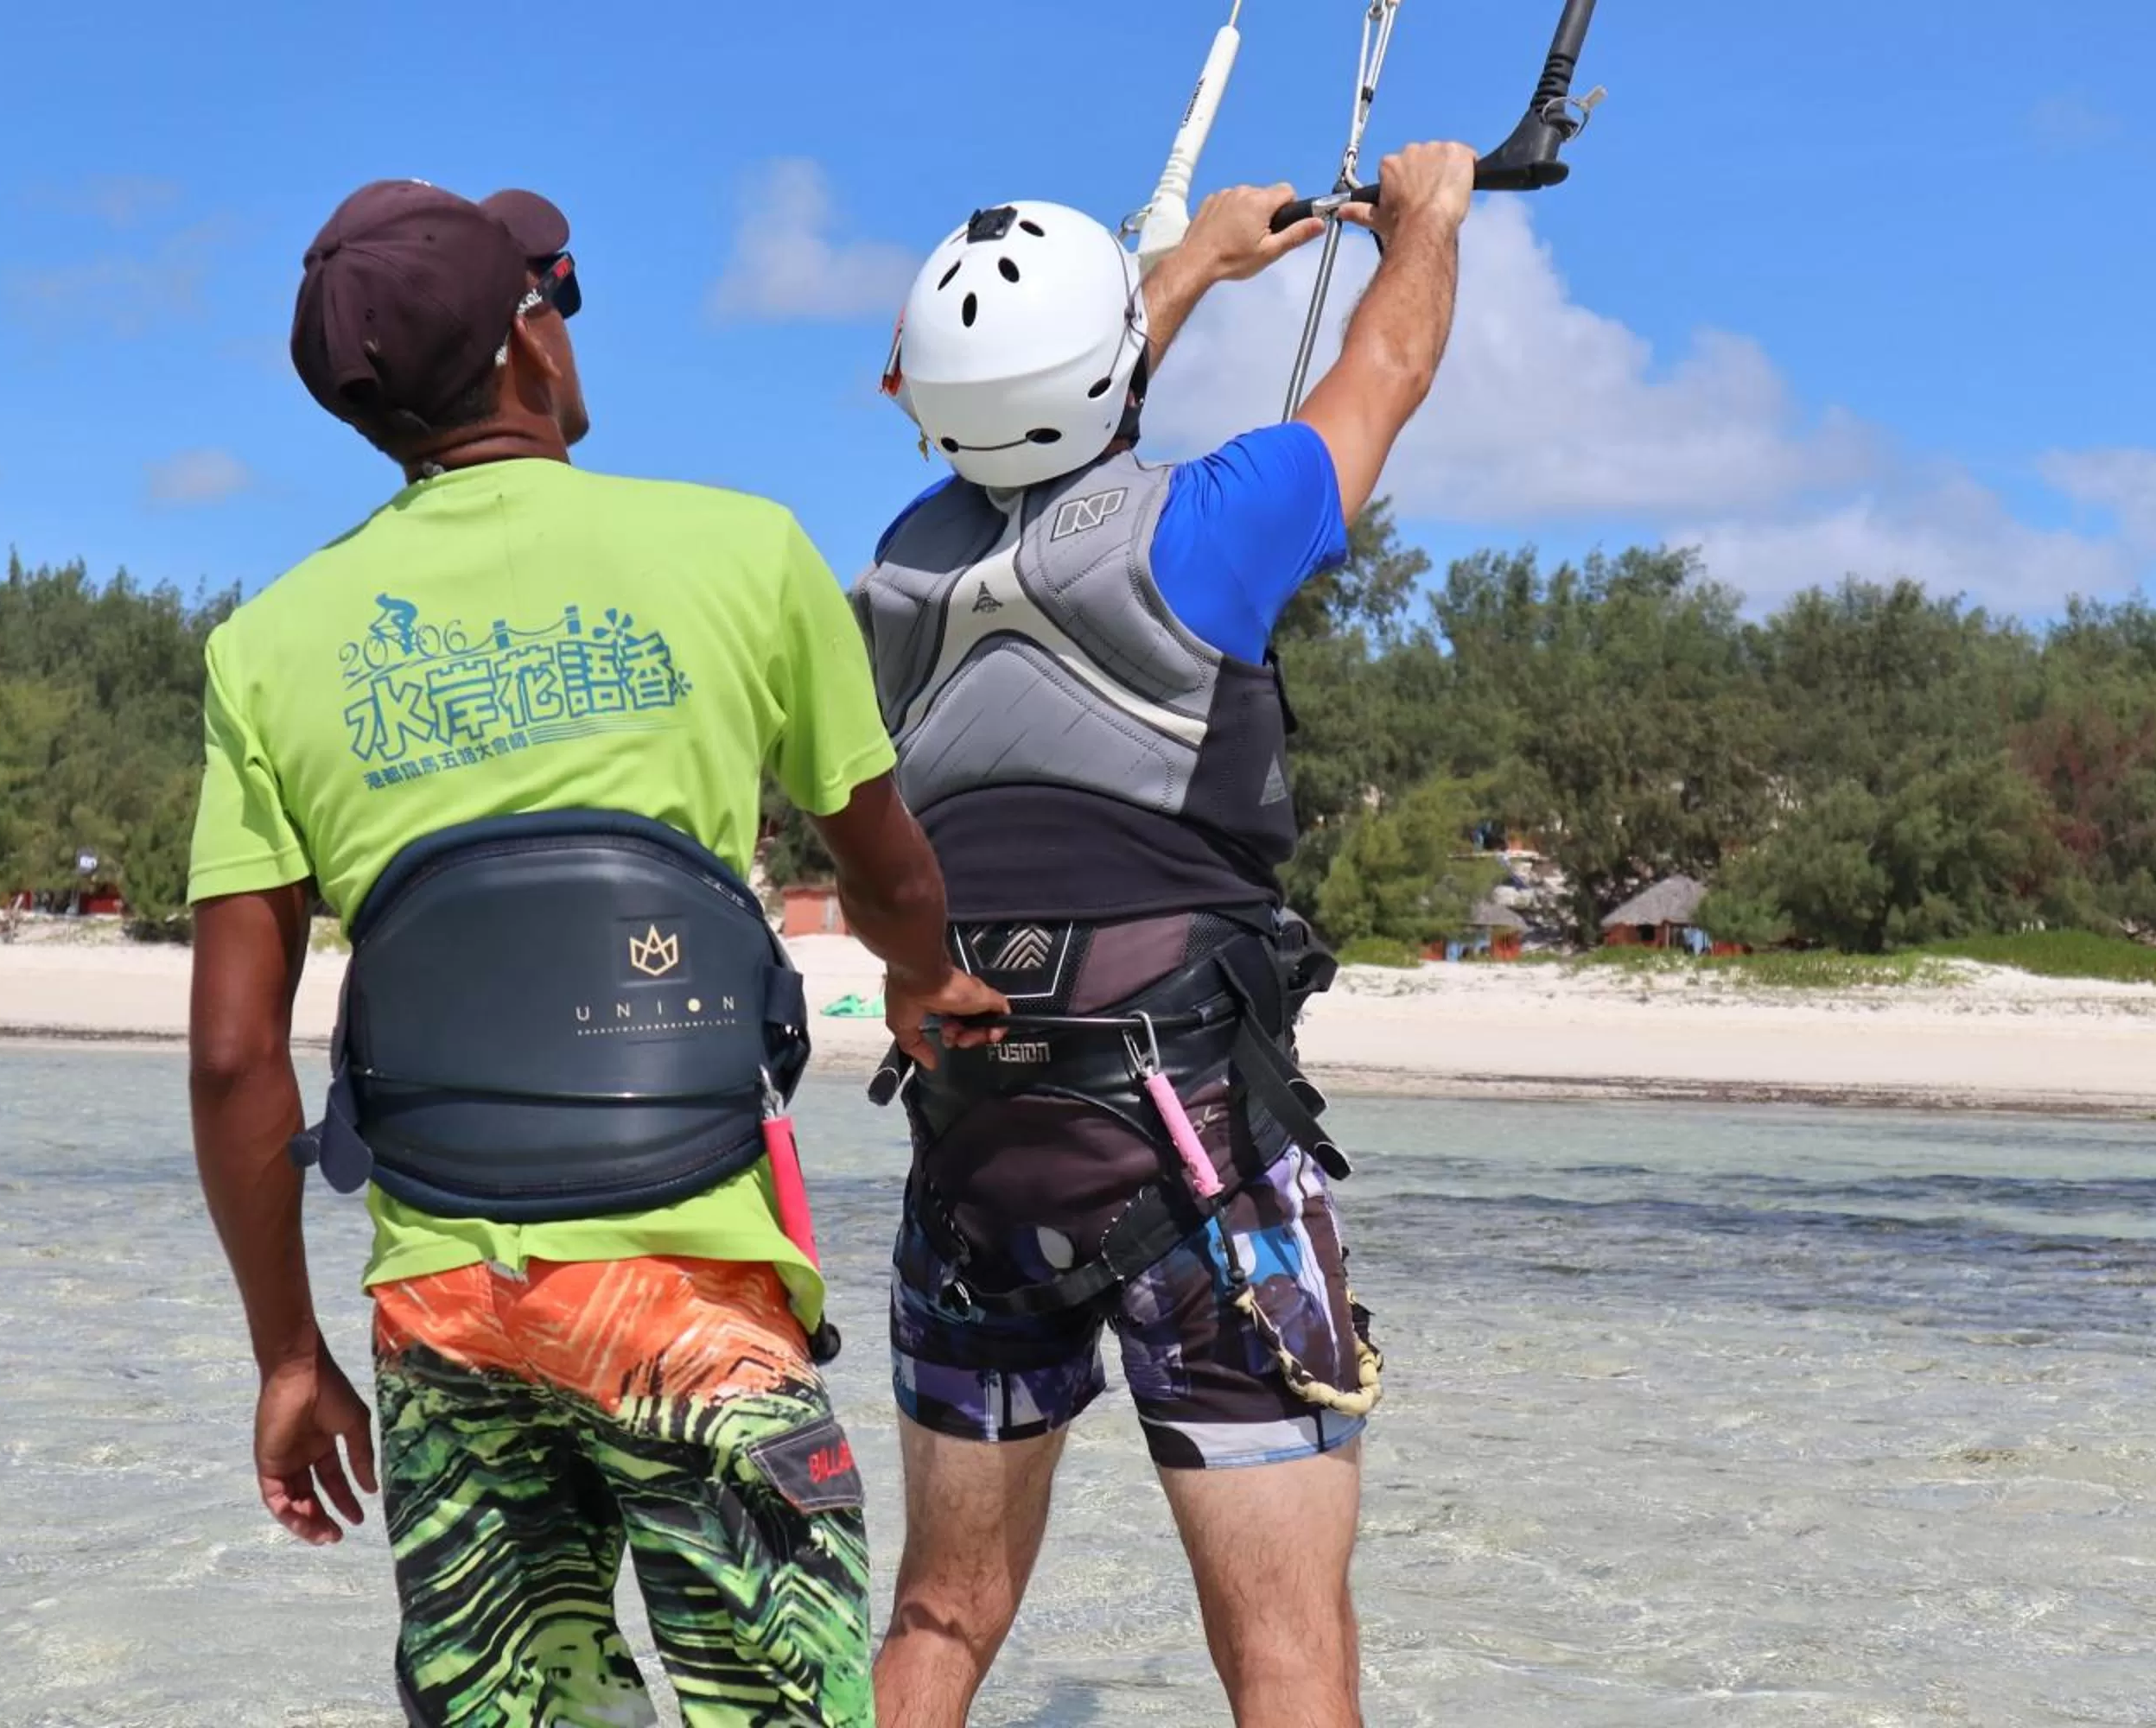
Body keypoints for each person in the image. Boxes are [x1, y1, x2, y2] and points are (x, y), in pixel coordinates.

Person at [184, 177, 1004, 1728]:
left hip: (452, 1309)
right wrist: (921, 978)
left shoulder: (267, 646)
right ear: (525, 340)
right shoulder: (746, 554)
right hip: (692, 1296)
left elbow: (236, 1059)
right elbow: (891, 877)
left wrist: (289, 1363)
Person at [849, 143, 1479, 1727]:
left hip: (981, 1160)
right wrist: (1429, 221)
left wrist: (1189, 265)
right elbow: (1388, 365)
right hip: (1192, 1150)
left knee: (938, 1617)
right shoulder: (1218, 522)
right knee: (1283, 1655)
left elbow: (1032, 448)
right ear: (1115, 368)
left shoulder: (894, 579)